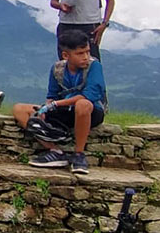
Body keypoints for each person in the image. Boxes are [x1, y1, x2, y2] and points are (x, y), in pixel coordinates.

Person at [12, 29, 106, 176]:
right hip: (64, 111)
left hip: (89, 111)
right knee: (19, 109)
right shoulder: (57, 69)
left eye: (87, 52)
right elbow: (52, 95)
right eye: (80, 53)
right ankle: (54, 150)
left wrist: (55, 105)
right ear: (65, 55)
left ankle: (79, 154)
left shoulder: (94, 66)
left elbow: (88, 96)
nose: (86, 57)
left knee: (83, 104)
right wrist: (45, 109)